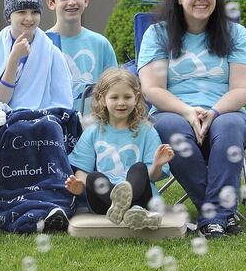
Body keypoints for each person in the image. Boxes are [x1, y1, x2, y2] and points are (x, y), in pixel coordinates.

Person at [137, 0, 246, 239]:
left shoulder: (236, 34)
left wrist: (213, 112)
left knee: (228, 126)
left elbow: (242, 88)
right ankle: (219, 216)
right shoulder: (158, 34)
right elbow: (152, 88)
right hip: (172, 110)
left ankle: (212, 217)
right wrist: (188, 112)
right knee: (170, 128)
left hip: (226, 110)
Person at [66, 68, 174, 229]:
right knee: (94, 177)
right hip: (104, 202)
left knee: (139, 168)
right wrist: (79, 186)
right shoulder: (93, 132)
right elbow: (83, 171)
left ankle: (129, 211)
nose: (121, 102)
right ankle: (133, 213)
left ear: (136, 98)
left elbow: (152, 176)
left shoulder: (147, 131)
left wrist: (157, 165)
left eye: (127, 97)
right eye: (114, 97)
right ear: (102, 99)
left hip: (141, 198)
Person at [45, 0, 118, 114]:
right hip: (54, 122)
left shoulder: (101, 44)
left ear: (86, 0)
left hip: (95, 123)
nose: (72, 2)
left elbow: (114, 88)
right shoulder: (43, 44)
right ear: (51, 3)